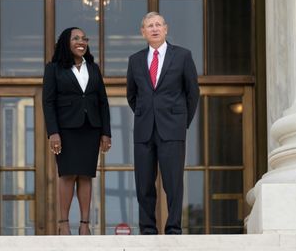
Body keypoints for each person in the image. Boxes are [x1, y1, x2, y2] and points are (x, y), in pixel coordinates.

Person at [127, 12, 200, 235]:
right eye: (150, 26)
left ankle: (173, 228)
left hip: (172, 129)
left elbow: (192, 93)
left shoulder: (183, 56)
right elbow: (132, 95)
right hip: (144, 130)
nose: (155, 29)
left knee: (173, 183)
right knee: (144, 185)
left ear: (166, 29)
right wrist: (145, 115)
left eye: (158, 24)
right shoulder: (135, 60)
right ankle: (148, 229)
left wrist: (180, 122)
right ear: (143, 32)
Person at [43, 27, 111, 235]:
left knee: (86, 175)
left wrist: (106, 132)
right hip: (66, 129)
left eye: (84, 38)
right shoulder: (54, 68)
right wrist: (53, 132)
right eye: (76, 38)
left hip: (91, 128)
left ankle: (84, 225)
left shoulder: (93, 67)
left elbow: (102, 102)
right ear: (66, 42)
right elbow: (48, 102)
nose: (81, 42)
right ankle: (63, 224)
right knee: (67, 175)